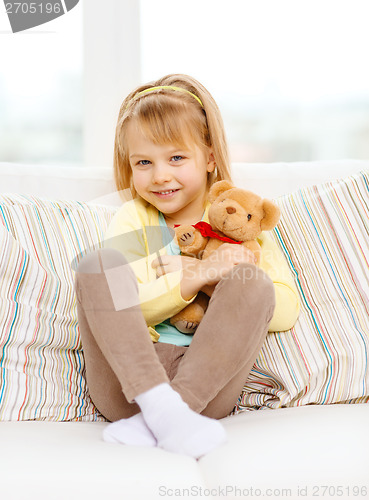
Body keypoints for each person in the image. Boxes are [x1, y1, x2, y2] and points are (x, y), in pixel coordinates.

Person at [74, 74, 300, 459]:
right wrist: (197, 274)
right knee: (97, 265)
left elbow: (284, 309)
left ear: (210, 158)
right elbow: (123, 307)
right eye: (144, 162)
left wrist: (225, 275)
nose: (160, 175)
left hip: (206, 388)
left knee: (254, 282)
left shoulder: (246, 225)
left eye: (176, 157)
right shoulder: (135, 219)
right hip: (127, 385)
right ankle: (162, 411)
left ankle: (171, 414)